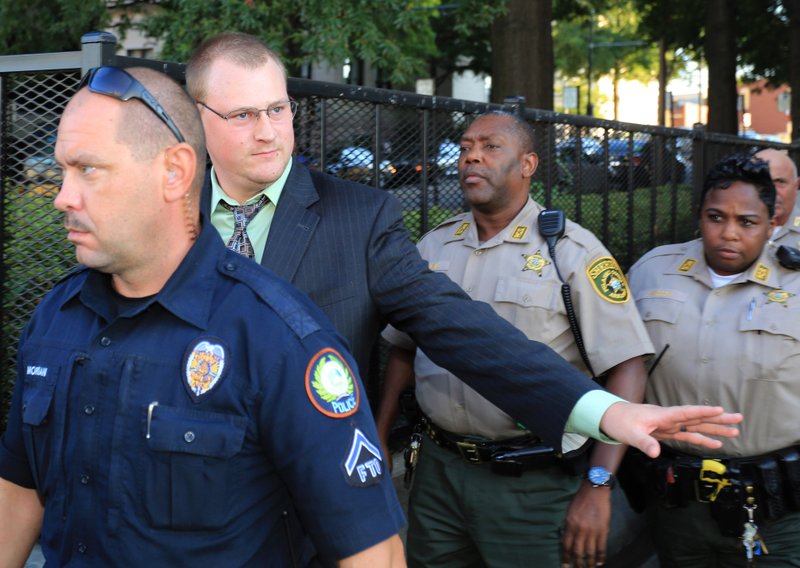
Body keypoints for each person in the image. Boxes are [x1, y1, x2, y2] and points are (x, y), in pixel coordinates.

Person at [184, 31, 743, 460]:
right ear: (197, 118)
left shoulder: (358, 217)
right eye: (243, 115)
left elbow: (455, 325)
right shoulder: (166, 215)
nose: (268, 131)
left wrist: (599, 410)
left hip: (303, 492)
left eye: (278, 109)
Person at [0, 66, 406, 567]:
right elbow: (19, 489)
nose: (63, 196)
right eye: (63, 171)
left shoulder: (276, 339)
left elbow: (373, 553)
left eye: (88, 169)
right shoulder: (54, 319)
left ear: (174, 172)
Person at [376, 111, 653, 568]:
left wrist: (598, 484)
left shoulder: (571, 253)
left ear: (528, 164)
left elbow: (627, 366)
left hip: (532, 483)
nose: (472, 158)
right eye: (465, 148)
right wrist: (383, 439)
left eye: (490, 147)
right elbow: (403, 350)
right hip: (439, 473)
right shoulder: (432, 248)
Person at [628, 154, 800, 567]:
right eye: (715, 217)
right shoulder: (653, 272)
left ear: (773, 223)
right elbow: (619, 367)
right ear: (700, 215)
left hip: (777, 509)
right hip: (676, 504)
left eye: (747, 222)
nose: (729, 234)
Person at [753, 148, 800, 248]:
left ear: (796, 186)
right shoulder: (730, 230)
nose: (772, 191)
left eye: (780, 182)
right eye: (761, 183)